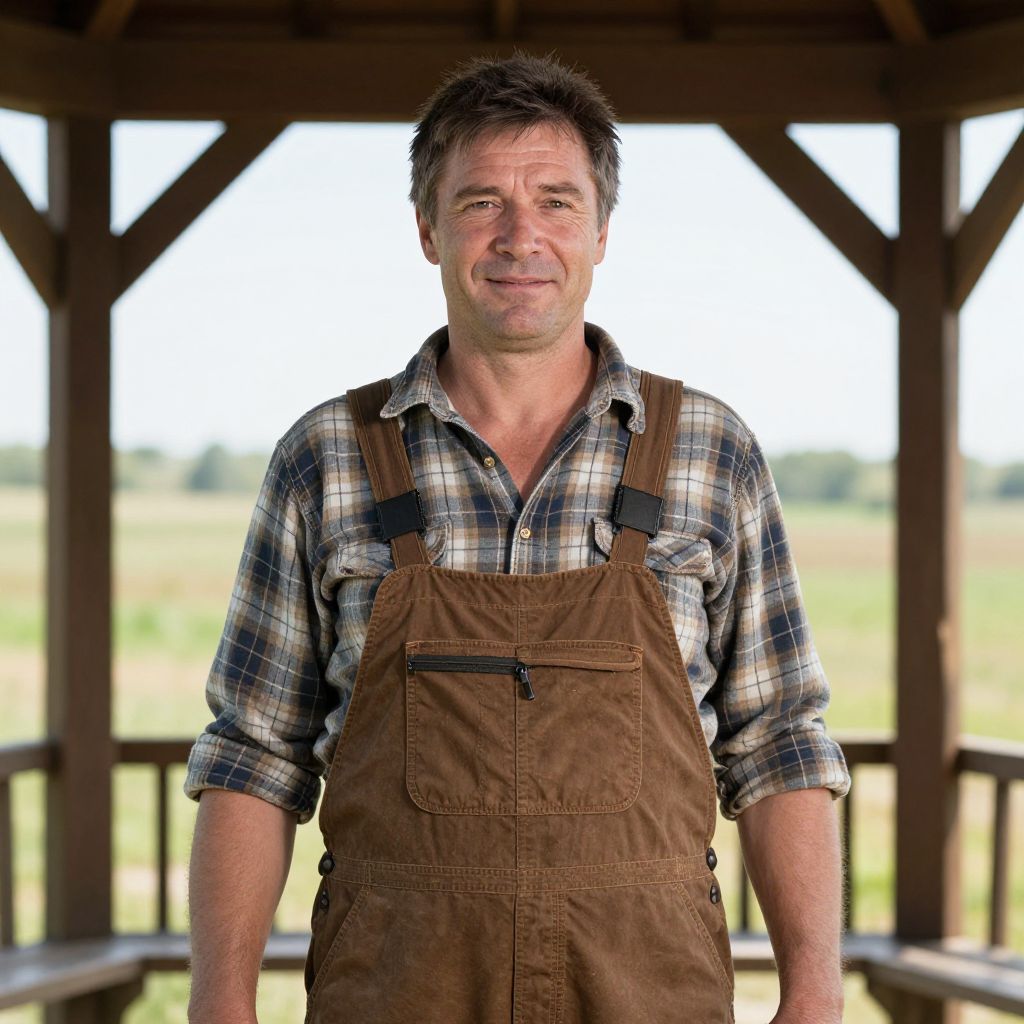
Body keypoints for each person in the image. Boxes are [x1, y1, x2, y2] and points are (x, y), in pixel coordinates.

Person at [184, 53, 851, 1024]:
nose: (519, 236)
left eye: (554, 200)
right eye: (480, 202)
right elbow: (253, 753)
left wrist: (814, 997)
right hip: (395, 987)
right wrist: (219, 1004)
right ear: (427, 229)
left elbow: (779, 743)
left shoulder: (708, 451)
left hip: (647, 988)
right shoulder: (327, 455)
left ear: (602, 230)